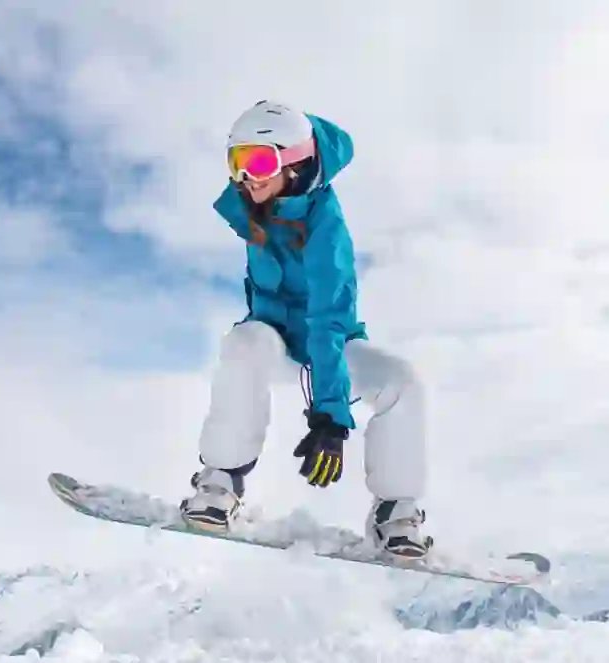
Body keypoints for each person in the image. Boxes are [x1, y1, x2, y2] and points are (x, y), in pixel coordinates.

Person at [178, 100, 433, 559]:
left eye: (259, 162)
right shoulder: (257, 205)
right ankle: (220, 482)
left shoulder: (326, 228)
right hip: (274, 340)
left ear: (295, 164)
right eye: (237, 161)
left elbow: (327, 320)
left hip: (329, 343)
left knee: (401, 382)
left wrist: (330, 415)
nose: (245, 176)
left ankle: (395, 512)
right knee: (245, 342)